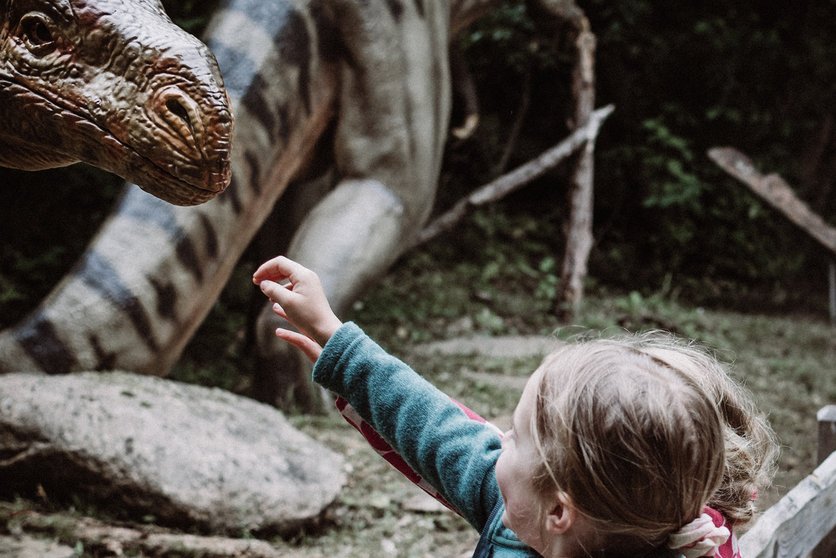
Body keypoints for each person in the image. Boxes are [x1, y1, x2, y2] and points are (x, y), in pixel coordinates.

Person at [253, 256, 778, 558]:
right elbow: (442, 434)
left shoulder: (520, 518)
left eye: (518, 437)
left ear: (559, 512)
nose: (497, 437)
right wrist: (342, 347)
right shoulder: (657, 523)